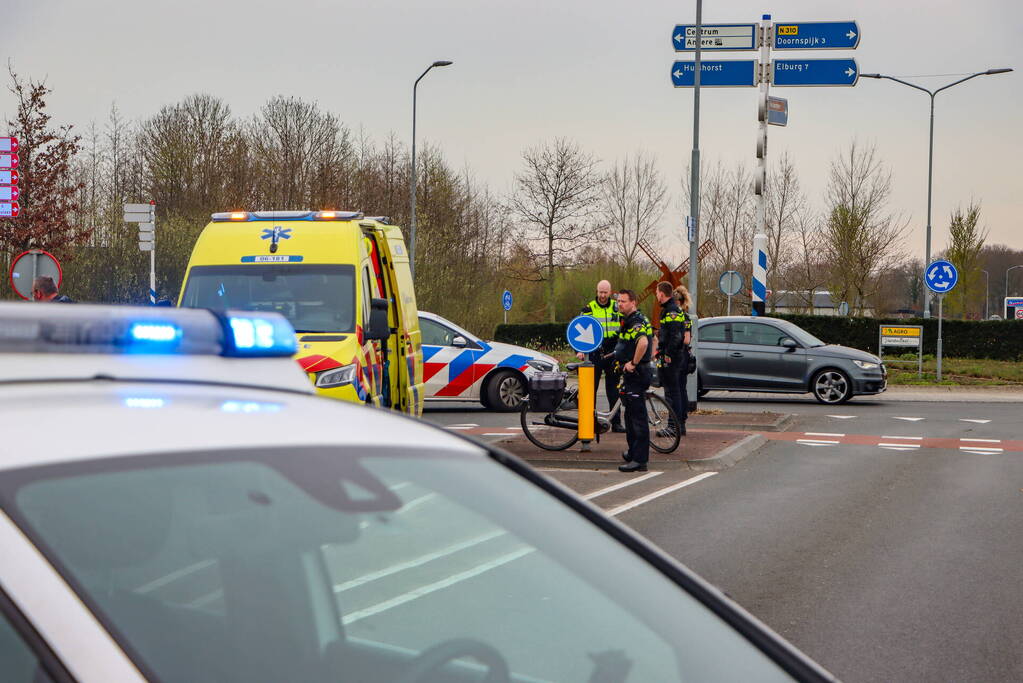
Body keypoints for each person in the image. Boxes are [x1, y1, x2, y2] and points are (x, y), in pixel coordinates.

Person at [576, 280, 624, 432]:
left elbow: (626, 326)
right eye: (600, 292)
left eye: (605, 292)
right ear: (596, 291)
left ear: (610, 292)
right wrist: (579, 350)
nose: (602, 295)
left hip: (613, 352)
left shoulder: (617, 307)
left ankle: (616, 423)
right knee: (591, 390)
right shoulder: (589, 308)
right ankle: (590, 423)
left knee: (613, 389)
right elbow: (578, 329)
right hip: (595, 353)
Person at [614, 289, 653, 473]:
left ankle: (640, 460)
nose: (620, 304)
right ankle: (633, 452)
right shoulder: (632, 319)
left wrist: (634, 363)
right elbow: (654, 339)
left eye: (623, 301)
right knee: (629, 416)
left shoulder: (636, 321)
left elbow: (643, 342)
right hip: (633, 373)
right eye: (619, 301)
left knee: (637, 418)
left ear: (633, 302)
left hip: (636, 373)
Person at [654, 282, 688, 437]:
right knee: (674, 392)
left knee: (672, 393)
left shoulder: (671, 311)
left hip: (671, 358)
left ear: (662, 294)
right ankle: (677, 426)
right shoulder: (670, 309)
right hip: (672, 356)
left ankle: (674, 427)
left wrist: (667, 354)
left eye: (657, 292)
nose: (656, 295)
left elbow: (675, 336)